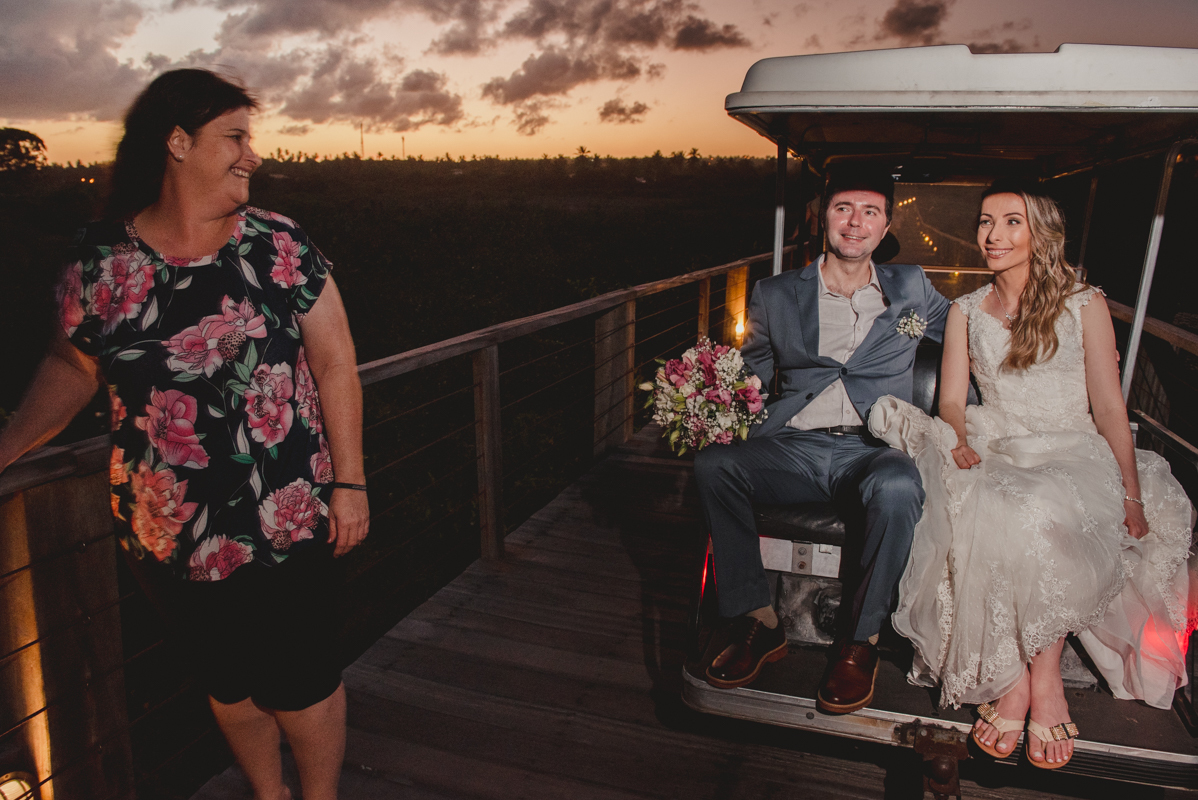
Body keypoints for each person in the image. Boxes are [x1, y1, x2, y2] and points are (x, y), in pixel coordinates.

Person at [0, 69, 368, 800]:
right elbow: (71, 369)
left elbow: (335, 363)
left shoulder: (279, 244)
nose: (251, 154)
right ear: (177, 141)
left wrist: (350, 482)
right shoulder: (103, 265)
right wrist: (6, 446)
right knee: (227, 686)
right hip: (167, 532)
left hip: (284, 519)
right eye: (234, 136)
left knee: (300, 687)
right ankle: (271, 794)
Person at [871, 181, 1194, 769]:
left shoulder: (1084, 303)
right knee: (995, 502)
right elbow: (948, 403)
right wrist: (961, 443)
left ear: (1040, 231)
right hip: (997, 441)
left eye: (1011, 222)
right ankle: (1019, 683)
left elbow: (1109, 408)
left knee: (1041, 507)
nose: (992, 236)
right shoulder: (966, 311)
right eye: (985, 222)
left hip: (1073, 450)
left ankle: (1040, 681)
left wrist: (1131, 492)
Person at [693, 166, 952, 714]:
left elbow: (975, 333)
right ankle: (757, 622)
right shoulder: (774, 293)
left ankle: (859, 642)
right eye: (843, 209)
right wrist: (707, 397)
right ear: (823, 218)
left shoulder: (912, 288)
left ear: (885, 228)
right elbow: (755, 374)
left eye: (870, 212)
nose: (855, 223)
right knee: (715, 465)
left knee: (901, 487)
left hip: (874, 448)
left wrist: (1051, 346)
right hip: (796, 446)